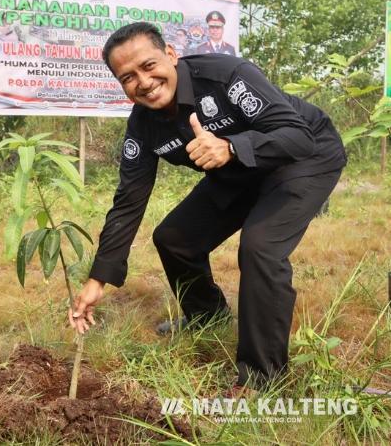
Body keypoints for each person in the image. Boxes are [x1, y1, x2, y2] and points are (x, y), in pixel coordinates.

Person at [69, 22, 346, 391]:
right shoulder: (143, 126)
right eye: (128, 77)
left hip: (303, 157)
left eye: (148, 65)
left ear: (170, 55)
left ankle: (263, 381)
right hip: (238, 170)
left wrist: (231, 147)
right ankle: (207, 317)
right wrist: (96, 279)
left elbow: (297, 136)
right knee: (173, 238)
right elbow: (128, 201)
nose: (144, 81)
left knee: (261, 246)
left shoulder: (227, 76)